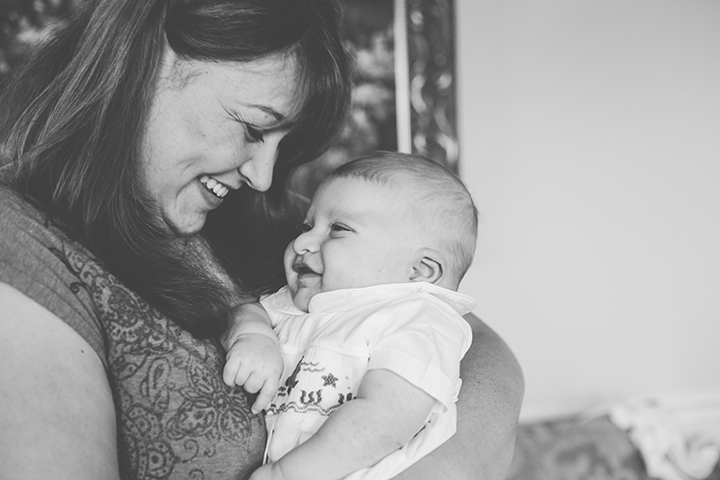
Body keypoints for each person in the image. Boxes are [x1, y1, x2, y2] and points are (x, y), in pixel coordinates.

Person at [0, 0, 524, 478]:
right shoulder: (25, 245)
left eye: (282, 142)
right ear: (143, 60)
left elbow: (476, 346)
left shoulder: (271, 218)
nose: (263, 176)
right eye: (252, 128)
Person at [222, 152, 479, 480]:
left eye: (338, 229)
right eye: (307, 226)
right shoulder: (300, 302)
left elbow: (386, 419)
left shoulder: (419, 319)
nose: (301, 242)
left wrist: (286, 474)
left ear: (419, 271)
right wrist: (254, 335)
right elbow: (246, 309)